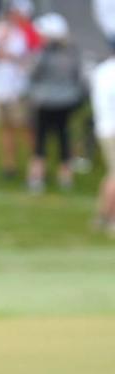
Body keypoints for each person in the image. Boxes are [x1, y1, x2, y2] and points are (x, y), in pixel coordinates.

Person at [0, 0, 40, 179]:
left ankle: (35, 166)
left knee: (27, 128)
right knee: (5, 128)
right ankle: (9, 166)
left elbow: (34, 59)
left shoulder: (28, 33)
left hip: (18, 90)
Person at [26, 12, 84, 193]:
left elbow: (32, 73)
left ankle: (37, 177)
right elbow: (78, 77)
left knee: (41, 139)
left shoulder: (43, 53)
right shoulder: (72, 52)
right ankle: (65, 177)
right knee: (64, 137)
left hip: (44, 102)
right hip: (67, 101)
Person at [91, 43, 115, 235]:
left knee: (111, 174)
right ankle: (110, 219)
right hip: (112, 129)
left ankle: (101, 216)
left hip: (104, 128)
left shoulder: (101, 70)